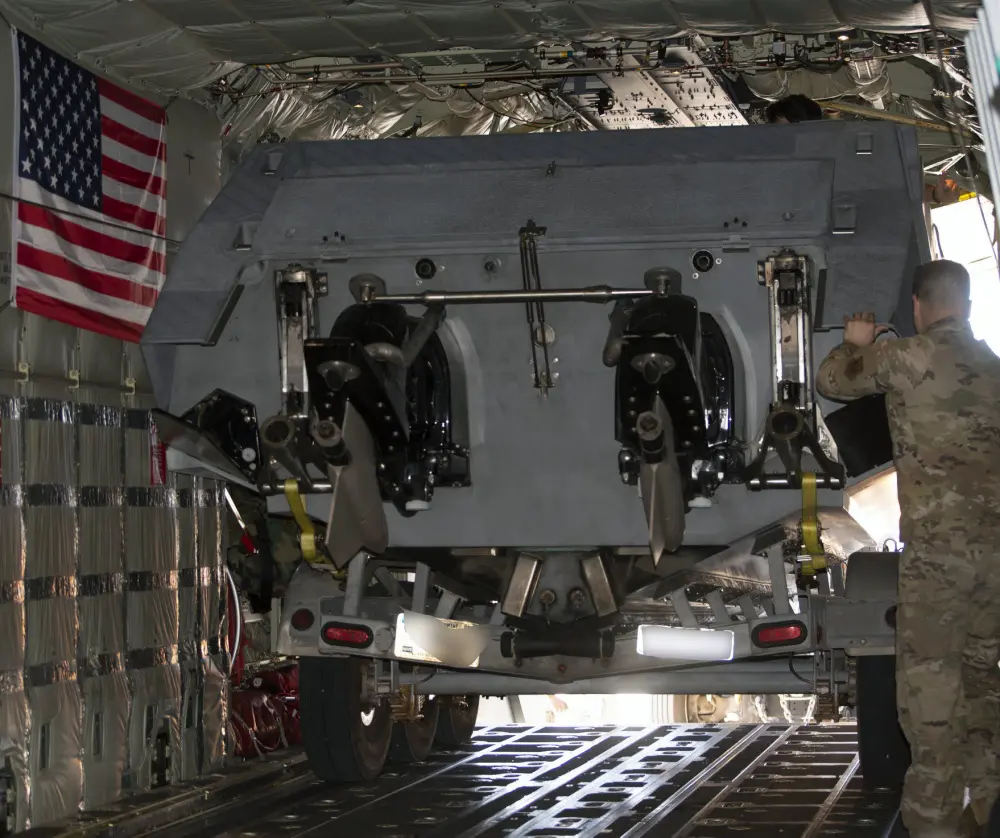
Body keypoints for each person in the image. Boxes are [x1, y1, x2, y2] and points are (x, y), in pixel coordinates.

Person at [815, 260, 1000, 838]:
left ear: (918, 306)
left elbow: (832, 381)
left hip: (938, 564)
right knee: (983, 684)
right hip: (995, 563)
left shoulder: (905, 358)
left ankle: (936, 826)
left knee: (930, 697)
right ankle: (988, 807)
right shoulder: (995, 368)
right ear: (968, 305)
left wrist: (854, 343)